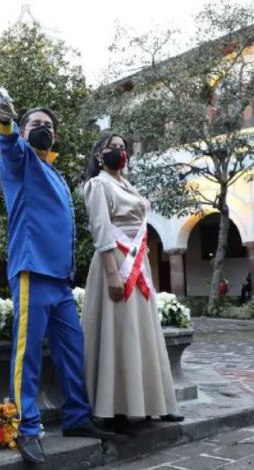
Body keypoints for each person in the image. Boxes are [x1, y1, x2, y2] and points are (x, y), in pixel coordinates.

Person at [0, 100, 115, 464]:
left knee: (73, 350)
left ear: (55, 135)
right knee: (27, 353)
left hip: (60, 281)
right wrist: (2, 120)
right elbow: (8, 142)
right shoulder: (21, 161)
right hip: (32, 270)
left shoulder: (55, 173)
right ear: (24, 130)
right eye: (35, 124)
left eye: (48, 124)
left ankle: (77, 417)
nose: (42, 128)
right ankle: (26, 428)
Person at [82, 133, 183, 432]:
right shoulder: (98, 184)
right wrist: (112, 272)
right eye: (112, 148)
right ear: (99, 155)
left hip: (138, 262)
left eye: (123, 148)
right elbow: (100, 228)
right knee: (120, 330)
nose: (119, 152)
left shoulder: (127, 185)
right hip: (114, 261)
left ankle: (152, 403)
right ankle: (115, 407)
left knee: (143, 330)